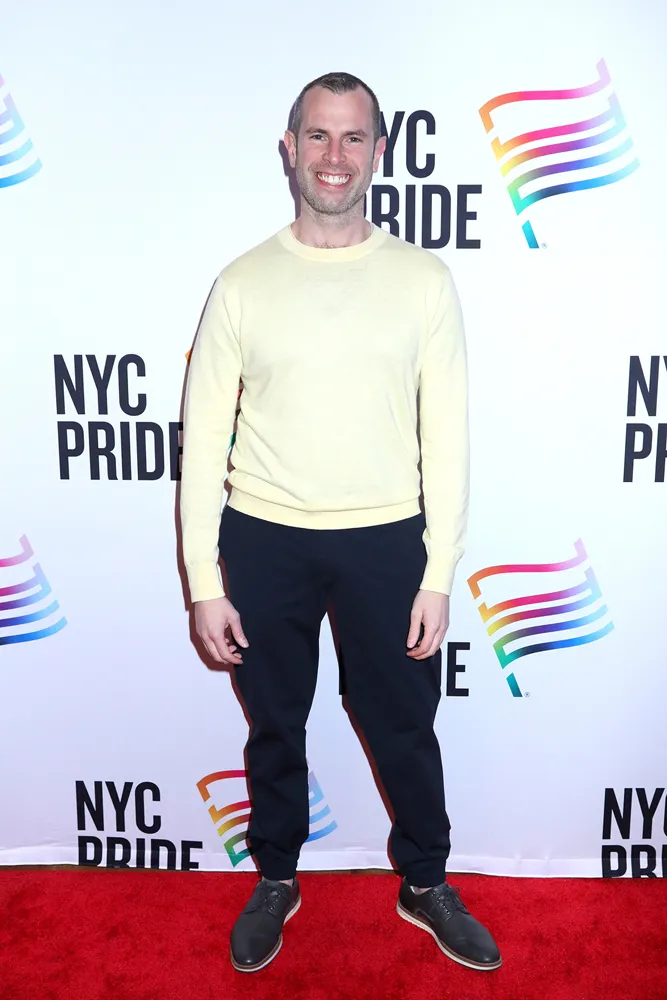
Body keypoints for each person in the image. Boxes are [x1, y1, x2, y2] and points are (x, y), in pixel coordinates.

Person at [180, 71, 501, 975]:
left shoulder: (423, 280)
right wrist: (204, 582)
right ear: (289, 149)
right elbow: (201, 443)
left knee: (404, 726)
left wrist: (438, 571)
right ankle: (275, 877)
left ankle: (425, 881)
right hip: (264, 536)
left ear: (379, 152)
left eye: (353, 137)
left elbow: (447, 439)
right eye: (317, 136)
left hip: (388, 539)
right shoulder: (242, 283)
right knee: (274, 724)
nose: (334, 156)